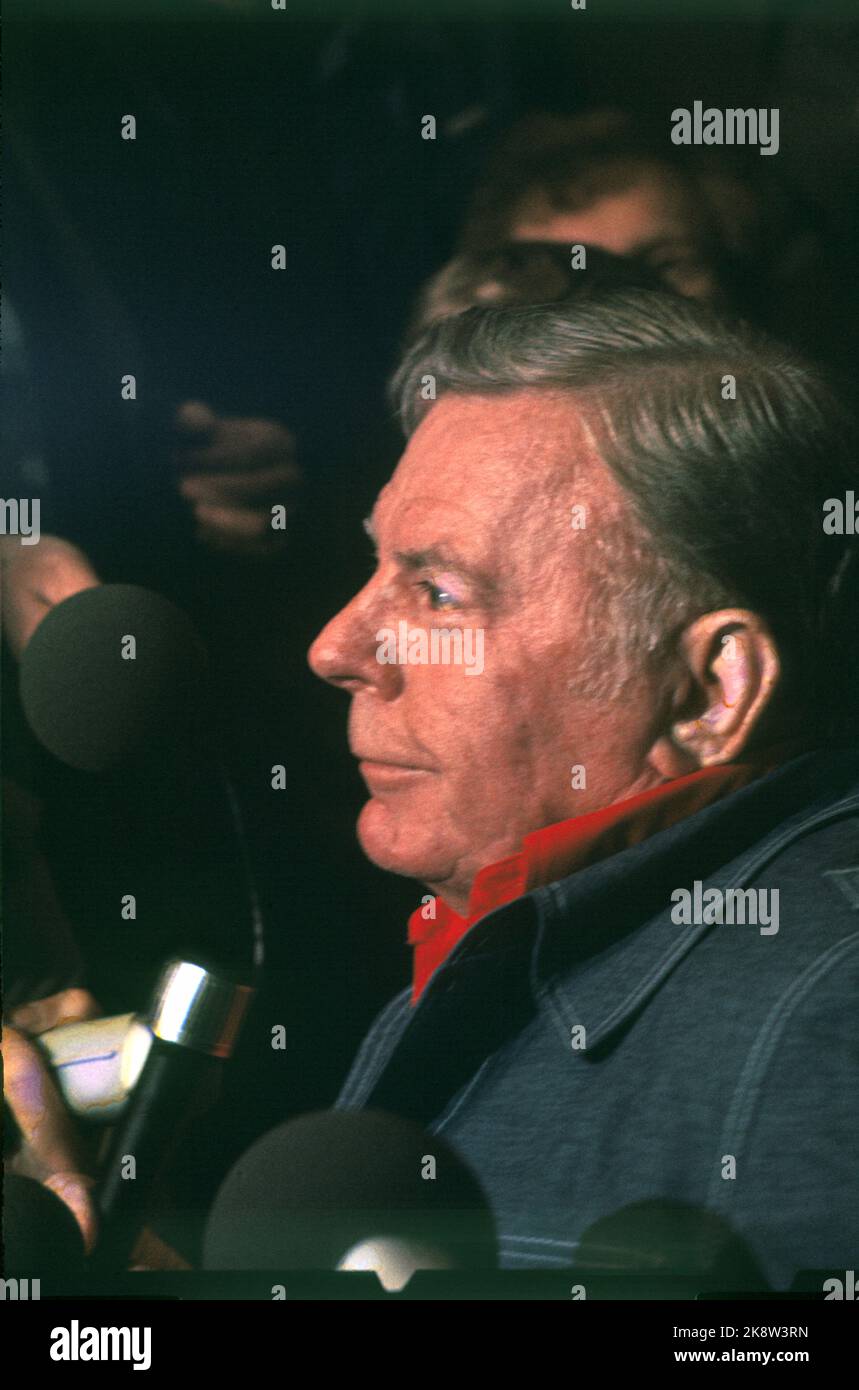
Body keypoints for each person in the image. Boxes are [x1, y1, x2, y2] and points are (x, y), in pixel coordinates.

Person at [305, 290, 859, 1285]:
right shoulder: (504, 932)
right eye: (374, 565)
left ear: (708, 690)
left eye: (438, 592)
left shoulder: (832, 1019)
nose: (338, 647)